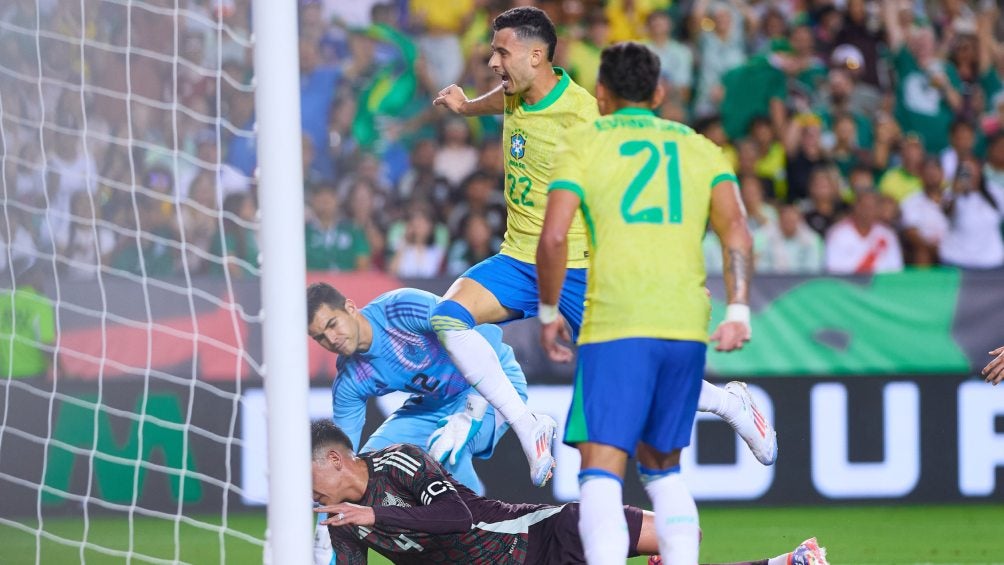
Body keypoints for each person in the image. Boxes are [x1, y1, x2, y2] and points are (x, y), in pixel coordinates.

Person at [432, 6, 777, 489]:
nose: (492, 62)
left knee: (646, 378)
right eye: (493, 51)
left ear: (537, 55)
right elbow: (501, 102)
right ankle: (528, 425)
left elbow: (638, 190)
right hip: (519, 258)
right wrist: (468, 106)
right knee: (447, 318)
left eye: (500, 52)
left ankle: (729, 403)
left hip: (581, 268)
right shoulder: (516, 92)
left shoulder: (585, 114)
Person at [535, 41, 756, 565]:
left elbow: (553, 238)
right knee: (663, 469)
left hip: (617, 323)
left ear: (602, 94)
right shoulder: (702, 148)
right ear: (658, 92)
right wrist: (739, 308)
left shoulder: (583, 143)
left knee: (600, 468)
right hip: (685, 327)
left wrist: (547, 312)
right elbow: (739, 233)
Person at [310, 419, 829, 565]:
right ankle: (790, 563)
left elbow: (457, 519)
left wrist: (372, 516)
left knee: (681, 536)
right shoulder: (344, 518)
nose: (308, 494)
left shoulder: (398, 461)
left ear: (335, 461)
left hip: (543, 531)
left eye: (307, 477)